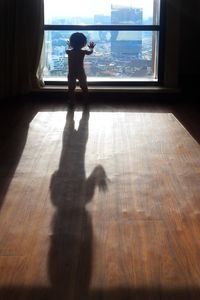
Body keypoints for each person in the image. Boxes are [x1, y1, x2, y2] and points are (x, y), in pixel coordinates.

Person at [66, 32, 96, 104]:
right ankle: (86, 100)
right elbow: (90, 52)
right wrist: (91, 48)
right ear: (84, 43)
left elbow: (69, 49)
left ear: (71, 42)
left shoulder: (68, 52)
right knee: (84, 87)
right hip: (80, 71)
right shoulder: (83, 52)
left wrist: (70, 46)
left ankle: (72, 101)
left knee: (71, 88)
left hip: (71, 72)